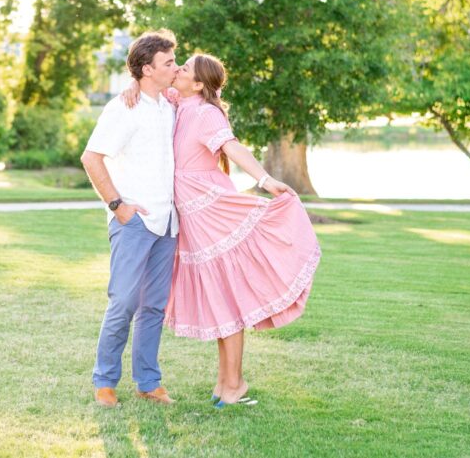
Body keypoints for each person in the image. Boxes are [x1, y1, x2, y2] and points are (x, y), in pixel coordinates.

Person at [122, 53, 321, 408]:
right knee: (220, 303)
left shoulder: (204, 113)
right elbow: (149, 85)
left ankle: (234, 385)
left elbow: (232, 147)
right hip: (193, 220)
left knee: (227, 300)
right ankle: (228, 382)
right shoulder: (177, 103)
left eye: (184, 69)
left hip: (212, 213)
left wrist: (265, 179)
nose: (177, 70)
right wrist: (132, 87)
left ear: (198, 84)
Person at [80, 30, 181, 408]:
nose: (175, 67)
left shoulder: (170, 105)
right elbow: (92, 158)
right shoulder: (123, 107)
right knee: (122, 302)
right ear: (146, 69)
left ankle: (148, 382)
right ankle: (105, 382)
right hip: (134, 221)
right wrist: (117, 205)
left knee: (154, 307)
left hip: (168, 222)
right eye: (168, 63)